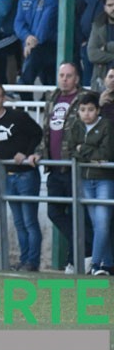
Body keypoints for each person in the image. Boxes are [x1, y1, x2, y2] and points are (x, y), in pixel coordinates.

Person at [32, 63, 94, 274]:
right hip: (54, 166)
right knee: (54, 212)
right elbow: (46, 130)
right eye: (61, 75)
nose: (64, 79)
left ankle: (78, 258)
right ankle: (85, 249)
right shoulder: (53, 97)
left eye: (69, 76)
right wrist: (40, 152)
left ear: (77, 78)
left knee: (80, 214)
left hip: (75, 167)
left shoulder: (86, 98)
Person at [0, 83, 43, 271]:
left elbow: (37, 133)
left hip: (26, 175)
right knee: (18, 221)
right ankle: (24, 260)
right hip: (7, 176)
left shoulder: (18, 116)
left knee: (29, 220)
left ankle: (32, 261)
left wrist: (26, 153)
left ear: (4, 98)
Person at [66, 92, 113, 276]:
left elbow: (105, 154)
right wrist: (87, 152)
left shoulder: (106, 125)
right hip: (84, 179)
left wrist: (82, 149)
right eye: (83, 110)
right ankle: (107, 263)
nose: (86, 114)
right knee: (99, 224)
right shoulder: (76, 125)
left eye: (91, 110)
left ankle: (94, 265)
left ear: (98, 110)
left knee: (101, 223)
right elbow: (70, 150)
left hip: (104, 179)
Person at [14, 0, 58, 86]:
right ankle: (23, 95)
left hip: (50, 46)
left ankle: (20, 89)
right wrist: (27, 37)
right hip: (32, 46)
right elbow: (18, 23)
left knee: (48, 81)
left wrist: (33, 43)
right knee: (47, 84)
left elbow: (46, 21)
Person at [78, 0, 114, 86]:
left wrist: (106, 47)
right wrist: (80, 39)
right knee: (90, 86)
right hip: (87, 42)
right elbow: (77, 11)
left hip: (106, 36)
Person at [87, 0, 114, 93]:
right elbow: (92, 54)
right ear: (104, 7)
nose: (113, 8)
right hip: (101, 80)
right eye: (110, 5)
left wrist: (106, 47)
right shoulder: (98, 25)